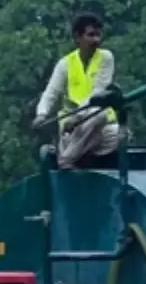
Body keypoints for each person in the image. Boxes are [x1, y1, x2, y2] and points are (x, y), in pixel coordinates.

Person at [33, 12, 121, 169]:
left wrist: (79, 117)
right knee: (97, 117)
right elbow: (51, 93)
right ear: (77, 37)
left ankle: (69, 156)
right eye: (91, 35)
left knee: (118, 132)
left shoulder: (106, 58)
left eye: (98, 35)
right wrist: (41, 114)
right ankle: (68, 159)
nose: (96, 40)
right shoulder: (65, 64)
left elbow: (97, 93)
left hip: (98, 126)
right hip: (71, 128)